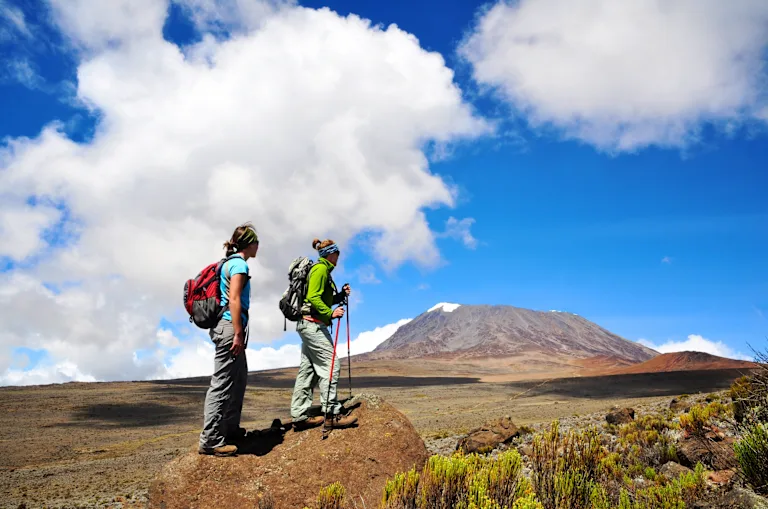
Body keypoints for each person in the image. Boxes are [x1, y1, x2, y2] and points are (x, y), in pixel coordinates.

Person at [198, 223, 260, 456]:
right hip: (228, 328)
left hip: (226, 327)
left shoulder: (229, 262)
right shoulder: (239, 264)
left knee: (239, 378)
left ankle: (230, 428)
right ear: (250, 243)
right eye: (257, 242)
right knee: (223, 383)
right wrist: (237, 333)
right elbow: (234, 299)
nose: (258, 246)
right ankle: (211, 440)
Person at [290, 238, 358, 431]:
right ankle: (331, 414)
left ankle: (299, 415)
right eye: (337, 253)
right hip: (313, 325)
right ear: (331, 253)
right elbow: (313, 297)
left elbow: (321, 297)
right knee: (331, 365)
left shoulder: (323, 271)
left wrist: (339, 296)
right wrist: (330, 313)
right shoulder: (320, 270)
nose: (339, 257)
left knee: (308, 371)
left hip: (308, 324)